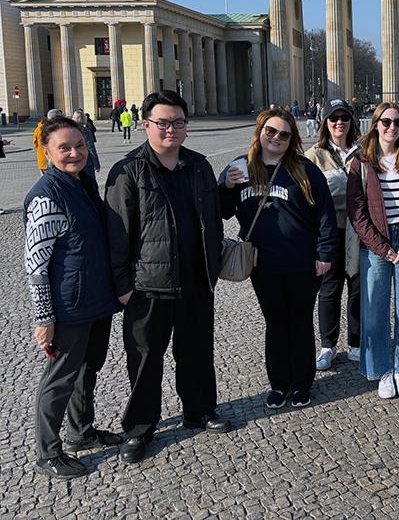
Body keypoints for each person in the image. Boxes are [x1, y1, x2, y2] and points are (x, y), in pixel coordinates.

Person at [104, 90, 229, 465]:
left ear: (186, 127)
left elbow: (214, 216)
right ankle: (140, 428)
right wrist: (124, 288)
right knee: (144, 360)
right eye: (163, 123)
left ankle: (199, 410)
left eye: (177, 122)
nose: (170, 129)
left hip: (195, 280)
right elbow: (116, 235)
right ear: (146, 126)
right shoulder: (127, 171)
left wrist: (232, 188)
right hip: (148, 287)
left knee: (196, 352)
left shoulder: (199, 166)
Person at [24, 117, 121, 478]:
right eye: (64, 147)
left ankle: (81, 432)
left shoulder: (83, 183)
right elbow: (35, 266)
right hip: (68, 307)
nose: (74, 153)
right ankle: (48, 453)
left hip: (96, 300)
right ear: (47, 152)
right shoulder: (47, 195)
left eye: (79, 145)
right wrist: (44, 319)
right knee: (59, 379)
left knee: (87, 371)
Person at [221, 109, 336, 408]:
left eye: (284, 134)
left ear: (292, 139)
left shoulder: (304, 169)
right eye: (271, 131)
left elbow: (324, 214)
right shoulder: (240, 167)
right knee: (274, 323)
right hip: (263, 264)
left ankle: (301, 384)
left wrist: (325, 253)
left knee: (299, 322)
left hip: (302, 262)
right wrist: (226, 187)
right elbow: (221, 210)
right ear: (259, 131)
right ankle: (278, 384)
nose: (276, 138)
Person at [346, 102, 399, 400]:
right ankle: (382, 369)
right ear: (375, 125)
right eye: (386, 122)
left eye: (397, 123)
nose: (392, 127)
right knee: (375, 310)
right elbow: (357, 212)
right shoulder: (360, 162)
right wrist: (382, 248)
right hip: (375, 243)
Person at [304, 99, 361, 371]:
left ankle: (357, 342)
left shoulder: (363, 152)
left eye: (344, 118)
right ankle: (328, 345)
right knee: (329, 288)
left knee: (358, 287)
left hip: (359, 230)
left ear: (352, 121)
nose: (339, 122)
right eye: (333, 118)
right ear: (325, 122)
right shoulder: (313, 155)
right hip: (328, 231)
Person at [71, 109, 100, 179]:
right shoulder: (86, 131)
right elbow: (91, 148)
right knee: (90, 184)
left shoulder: (70, 131)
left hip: (73, 162)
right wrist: (96, 164)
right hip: (86, 162)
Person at [33, 109, 64, 174]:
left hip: (44, 160)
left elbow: (35, 144)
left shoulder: (39, 129)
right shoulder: (59, 129)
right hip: (54, 161)